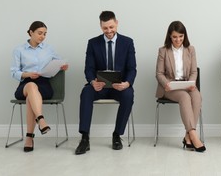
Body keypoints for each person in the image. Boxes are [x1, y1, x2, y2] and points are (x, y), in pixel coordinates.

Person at [75, 11, 137, 155]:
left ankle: (117, 135)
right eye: (105, 28)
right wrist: (92, 81)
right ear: (100, 26)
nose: (109, 31)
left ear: (117, 23)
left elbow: (132, 68)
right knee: (85, 93)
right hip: (99, 86)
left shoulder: (128, 42)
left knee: (129, 95)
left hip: (119, 86)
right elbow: (88, 68)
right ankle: (85, 138)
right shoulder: (93, 43)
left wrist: (127, 83)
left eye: (111, 27)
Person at [10, 21, 68, 152]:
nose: (42, 36)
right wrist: (27, 74)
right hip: (25, 83)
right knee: (31, 86)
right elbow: (13, 72)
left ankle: (29, 138)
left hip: (43, 85)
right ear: (31, 32)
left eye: (45, 34)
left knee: (31, 97)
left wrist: (63, 66)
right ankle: (41, 120)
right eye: (40, 33)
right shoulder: (19, 50)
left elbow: (59, 61)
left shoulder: (49, 49)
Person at [155, 21, 206, 152]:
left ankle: (187, 136)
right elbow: (159, 73)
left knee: (197, 97)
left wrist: (191, 82)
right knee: (184, 97)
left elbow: (194, 71)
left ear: (185, 36)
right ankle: (193, 135)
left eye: (181, 36)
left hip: (187, 84)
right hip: (170, 87)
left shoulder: (190, 50)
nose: (178, 40)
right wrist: (166, 83)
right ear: (170, 37)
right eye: (175, 37)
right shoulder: (163, 51)